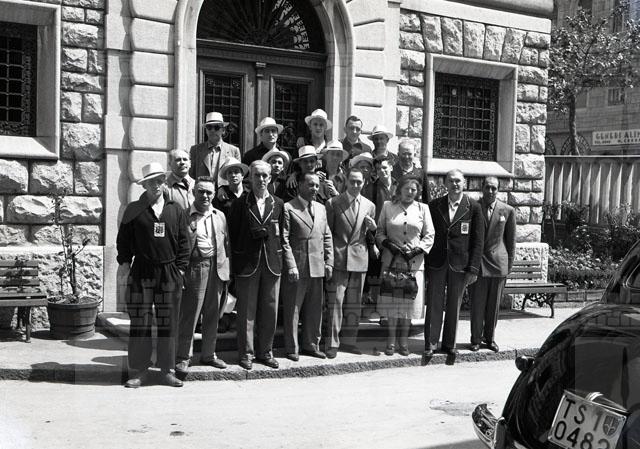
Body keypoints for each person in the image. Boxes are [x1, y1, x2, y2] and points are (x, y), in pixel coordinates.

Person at [116, 162, 190, 388]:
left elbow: (185, 243)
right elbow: (123, 241)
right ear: (144, 185)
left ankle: (167, 370)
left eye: (159, 181)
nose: (156, 185)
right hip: (142, 271)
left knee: (169, 323)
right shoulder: (133, 210)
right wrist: (125, 263)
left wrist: (180, 270)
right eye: (151, 182)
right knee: (141, 321)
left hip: (169, 272)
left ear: (164, 182)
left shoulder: (175, 209)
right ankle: (140, 371)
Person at [227, 160, 284, 370]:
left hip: (272, 263)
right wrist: (233, 265)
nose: (261, 179)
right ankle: (246, 353)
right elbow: (232, 235)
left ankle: (266, 352)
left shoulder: (278, 203)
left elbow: (282, 234)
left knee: (270, 309)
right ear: (250, 178)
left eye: (264, 175)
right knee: (246, 312)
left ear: (270, 178)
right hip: (247, 263)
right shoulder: (240, 203)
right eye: (257, 175)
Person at [424, 169, 484, 361]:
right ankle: (431, 343)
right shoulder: (434, 206)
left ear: (464, 183)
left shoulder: (473, 207)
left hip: (460, 264)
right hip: (437, 261)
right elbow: (428, 233)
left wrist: (473, 268)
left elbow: (478, 241)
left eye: (458, 181)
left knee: (454, 305)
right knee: (434, 303)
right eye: (451, 181)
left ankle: (450, 344)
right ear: (445, 184)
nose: (455, 184)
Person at [175, 176, 230, 375]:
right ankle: (183, 356)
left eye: (209, 192)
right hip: (195, 267)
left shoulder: (219, 216)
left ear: (214, 194)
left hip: (217, 267)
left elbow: (226, 244)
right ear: (193, 192)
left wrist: (227, 271)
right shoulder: (184, 215)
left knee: (213, 314)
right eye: (201, 192)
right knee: (190, 314)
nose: (205, 196)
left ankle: (209, 354)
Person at [376, 175, 435, 356]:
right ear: (399, 189)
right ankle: (391, 340)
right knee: (392, 304)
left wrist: (416, 251)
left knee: (408, 305)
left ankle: (403, 340)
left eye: (414, 189)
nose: (410, 192)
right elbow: (379, 232)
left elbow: (430, 235)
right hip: (391, 262)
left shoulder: (423, 208)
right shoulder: (388, 206)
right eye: (407, 188)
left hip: (413, 264)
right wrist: (389, 245)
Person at [281, 171, 333, 361]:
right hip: (298, 266)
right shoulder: (288, 207)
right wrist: (291, 265)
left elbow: (327, 236)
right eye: (311, 185)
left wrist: (329, 261)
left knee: (315, 309)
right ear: (300, 185)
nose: (315, 189)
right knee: (293, 309)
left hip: (317, 266)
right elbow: (284, 239)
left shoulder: (321, 208)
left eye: (317, 185)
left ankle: (311, 345)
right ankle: (292, 347)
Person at [325, 168, 377, 358]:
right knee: (335, 302)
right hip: (339, 257)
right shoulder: (333, 203)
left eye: (359, 182)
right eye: (352, 181)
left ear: (364, 183)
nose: (355, 185)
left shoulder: (370, 205)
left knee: (354, 303)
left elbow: (368, 233)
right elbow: (328, 233)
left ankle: (349, 341)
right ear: (346, 181)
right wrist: (329, 259)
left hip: (359, 257)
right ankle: (332, 343)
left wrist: (373, 228)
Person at [470, 176, 516, 353]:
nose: (490, 191)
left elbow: (511, 241)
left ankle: (489, 338)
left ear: (498, 190)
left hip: (498, 265)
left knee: (493, 306)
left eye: (494, 188)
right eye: (487, 187)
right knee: (477, 304)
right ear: (482, 187)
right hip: (479, 264)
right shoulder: (473, 207)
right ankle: (475, 339)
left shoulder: (508, 210)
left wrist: (508, 266)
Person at [189, 112, 241, 188]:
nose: (212, 130)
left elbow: (238, 176)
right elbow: (191, 175)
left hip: (225, 193)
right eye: (209, 127)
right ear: (206, 130)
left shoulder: (234, 151)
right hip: (203, 192)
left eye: (216, 127)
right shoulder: (195, 150)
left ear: (223, 130)